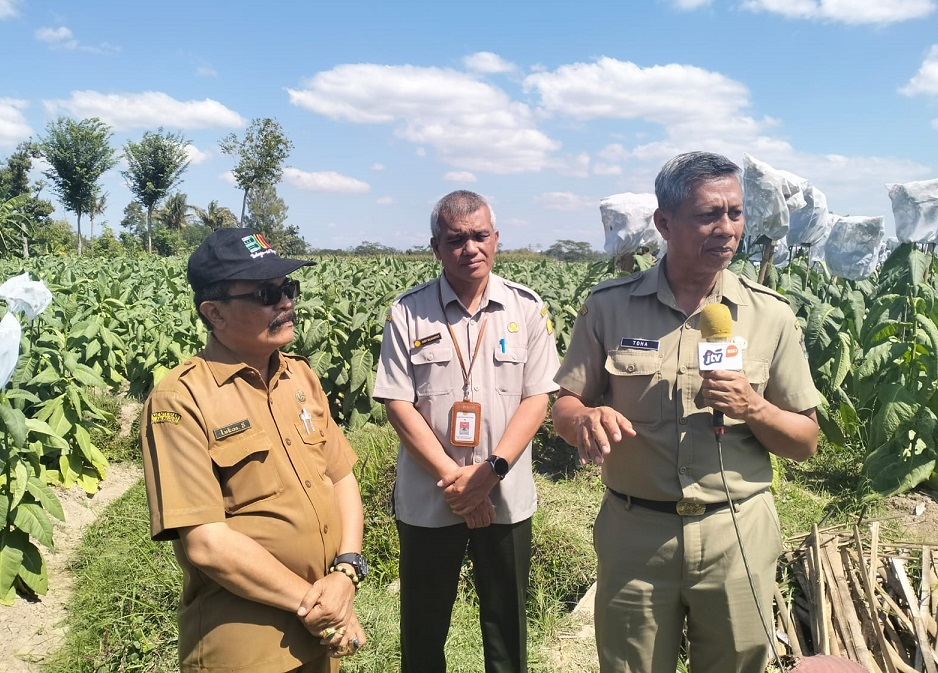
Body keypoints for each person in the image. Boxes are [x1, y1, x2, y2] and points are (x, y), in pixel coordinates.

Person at [551, 152, 820, 673]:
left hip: (736, 532)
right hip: (636, 534)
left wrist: (755, 407)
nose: (727, 228)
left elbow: (805, 442)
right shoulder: (608, 306)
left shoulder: (771, 314)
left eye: (736, 213)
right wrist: (582, 419)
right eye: (708, 215)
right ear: (664, 223)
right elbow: (565, 405)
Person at [140, 228, 368, 673]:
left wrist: (345, 574)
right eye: (267, 293)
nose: (286, 303)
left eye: (288, 289)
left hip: (322, 634)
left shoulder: (300, 377)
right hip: (247, 649)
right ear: (214, 313)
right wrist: (317, 604)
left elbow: (340, 477)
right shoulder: (182, 399)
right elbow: (207, 543)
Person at [373, 190, 560, 673]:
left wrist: (489, 474)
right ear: (435, 247)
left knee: (507, 626)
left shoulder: (527, 309)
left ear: (496, 239)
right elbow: (398, 403)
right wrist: (457, 485)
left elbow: (537, 398)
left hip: (506, 495)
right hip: (432, 497)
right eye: (456, 240)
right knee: (423, 625)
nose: (470, 248)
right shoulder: (407, 313)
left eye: (480, 236)